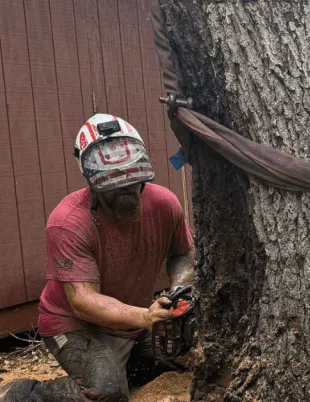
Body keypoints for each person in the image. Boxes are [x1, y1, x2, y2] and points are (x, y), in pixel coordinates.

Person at [0, 114, 195, 402]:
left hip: (131, 319)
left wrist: (179, 287)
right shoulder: (68, 222)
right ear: (93, 184)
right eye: (114, 190)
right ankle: (28, 395)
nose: (126, 195)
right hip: (76, 325)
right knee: (106, 393)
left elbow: (183, 252)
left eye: (132, 185)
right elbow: (83, 302)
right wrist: (144, 316)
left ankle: (124, 367)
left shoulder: (164, 204)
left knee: (185, 353)